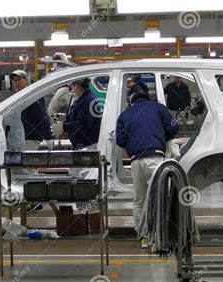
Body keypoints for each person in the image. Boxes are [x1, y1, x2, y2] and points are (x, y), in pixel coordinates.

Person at [115, 87, 179, 239]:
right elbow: (174, 128)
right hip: (155, 159)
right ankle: (159, 237)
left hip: (136, 161)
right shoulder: (158, 108)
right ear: (147, 98)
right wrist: (162, 135)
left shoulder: (124, 115)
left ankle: (143, 237)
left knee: (139, 201)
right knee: (159, 199)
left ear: (132, 102)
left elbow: (120, 140)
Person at [51, 78, 101, 150]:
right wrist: (66, 117)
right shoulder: (83, 98)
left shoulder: (86, 101)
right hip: (83, 144)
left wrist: (64, 126)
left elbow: (83, 125)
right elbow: (78, 116)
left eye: (73, 86)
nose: (72, 89)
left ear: (77, 85)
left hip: (87, 145)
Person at [9, 70, 52, 150]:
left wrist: (48, 137)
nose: (16, 83)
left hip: (31, 138)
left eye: (18, 79)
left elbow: (42, 116)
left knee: (26, 161)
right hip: (20, 137)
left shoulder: (32, 95)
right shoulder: (17, 97)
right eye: (14, 80)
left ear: (25, 80)